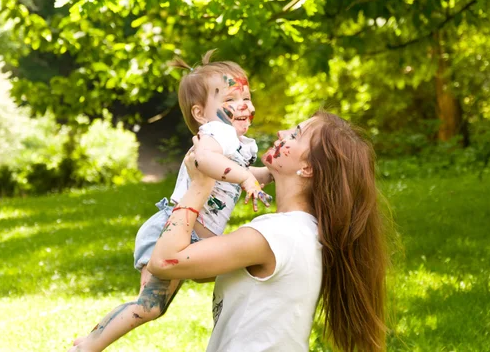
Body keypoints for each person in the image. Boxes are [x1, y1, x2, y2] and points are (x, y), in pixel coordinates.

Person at [70, 51, 272, 352]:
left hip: (192, 236)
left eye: (246, 96)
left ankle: (88, 342)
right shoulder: (218, 132)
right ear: (200, 114)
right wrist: (245, 179)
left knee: (154, 305)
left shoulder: (235, 141)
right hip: (173, 230)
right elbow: (204, 160)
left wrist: (268, 173)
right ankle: (86, 346)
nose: (243, 105)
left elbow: (243, 169)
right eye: (229, 100)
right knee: (148, 306)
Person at [148, 110, 390, 352]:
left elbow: (163, 263)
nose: (281, 133)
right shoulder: (301, 231)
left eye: (295, 135)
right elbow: (200, 272)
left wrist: (199, 185)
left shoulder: (275, 235)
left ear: (307, 168)